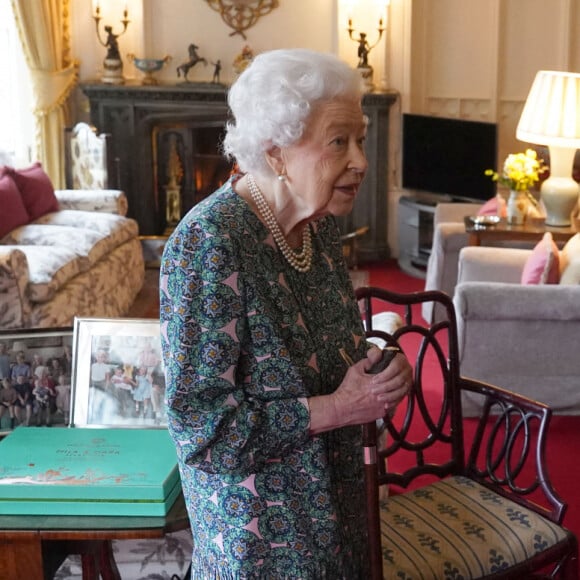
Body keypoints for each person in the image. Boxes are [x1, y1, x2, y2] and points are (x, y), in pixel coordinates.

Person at [159, 48, 413, 578]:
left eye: (360, 139)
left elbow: (326, 355)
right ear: (276, 153)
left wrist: (378, 366)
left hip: (338, 514)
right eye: (338, 141)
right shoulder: (209, 244)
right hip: (266, 544)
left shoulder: (317, 225)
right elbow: (205, 434)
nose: (362, 161)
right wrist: (341, 408)